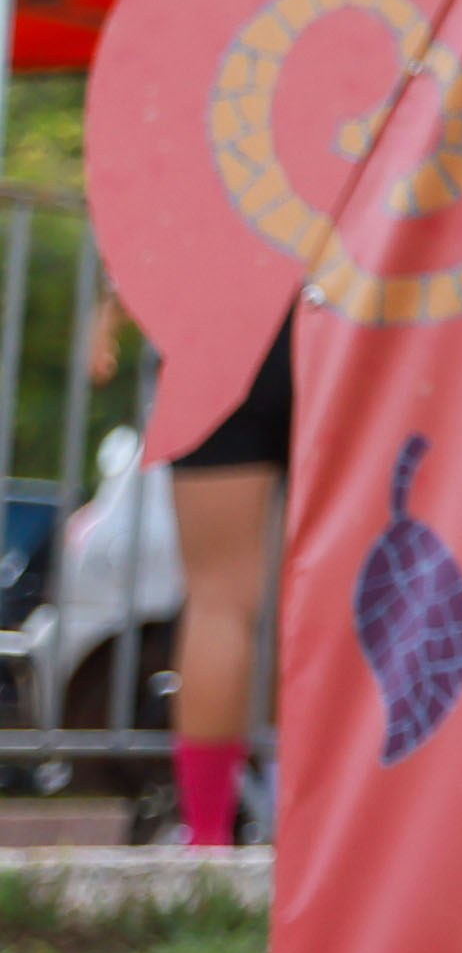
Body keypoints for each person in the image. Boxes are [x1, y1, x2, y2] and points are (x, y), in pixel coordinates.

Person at [162, 311, 294, 848]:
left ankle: (208, 838)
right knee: (335, 594)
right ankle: (305, 832)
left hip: (218, 323)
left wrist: (110, 303)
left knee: (219, 601)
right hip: (351, 314)